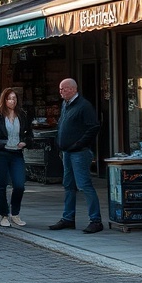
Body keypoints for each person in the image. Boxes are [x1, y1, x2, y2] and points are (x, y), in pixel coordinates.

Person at [49, 77, 104, 234]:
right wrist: (60, 145)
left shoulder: (84, 106)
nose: (61, 92)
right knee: (68, 186)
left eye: (64, 89)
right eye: (60, 89)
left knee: (84, 185)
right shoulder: (65, 105)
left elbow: (93, 127)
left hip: (79, 152)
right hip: (67, 152)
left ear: (73, 89)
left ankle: (95, 220)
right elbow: (62, 125)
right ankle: (68, 218)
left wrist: (79, 144)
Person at [0, 86, 32, 227]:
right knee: (2, 185)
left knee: (19, 185)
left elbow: (29, 134)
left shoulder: (21, 115)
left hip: (16, 154)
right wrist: (3, 143)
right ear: (4, 100)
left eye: (14, 98)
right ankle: (4, 215)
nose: (12, 101)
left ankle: (15, 213)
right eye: (9, 98)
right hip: (0, 153)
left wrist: (25, 142)